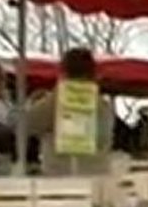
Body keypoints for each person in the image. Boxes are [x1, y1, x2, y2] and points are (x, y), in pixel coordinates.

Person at [25, 47, 114, 175]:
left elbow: (27, 125)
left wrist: (33, 102)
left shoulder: (53, 102)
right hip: (96, 176)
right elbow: (106, 138)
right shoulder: (103, 106)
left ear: (63, 71)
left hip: (59, 177)